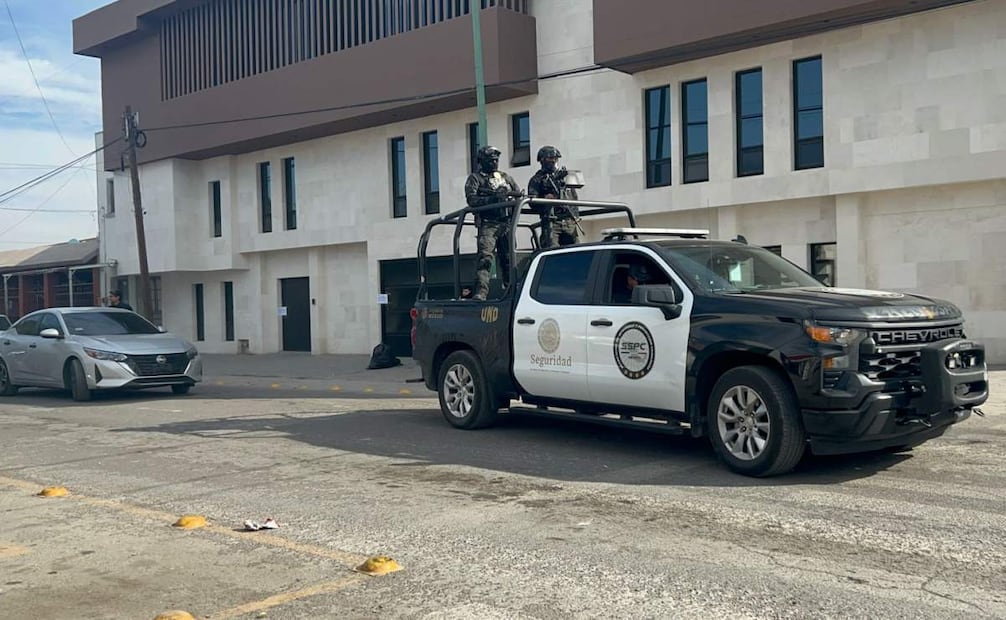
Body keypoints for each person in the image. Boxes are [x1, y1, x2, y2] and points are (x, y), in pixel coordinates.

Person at [465, 145, 522, 301]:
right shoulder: (475, 178)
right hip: (488, 224)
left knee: (509, 259)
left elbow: (519, 195)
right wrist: (493, 198)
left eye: (496, 160)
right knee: (485, 258)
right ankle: (481, 292)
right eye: (490, 160)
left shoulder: (506, 177)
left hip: (507, 224)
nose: (494, 163)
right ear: (482, 161)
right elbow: (472, 200)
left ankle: (512, 291)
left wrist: (510, 198)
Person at [528, 145, 579, 248]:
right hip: (551, 220)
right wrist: (545, 199)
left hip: (569, 220)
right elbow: (532, 202)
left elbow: (574, 197)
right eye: (550, 158)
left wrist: (574, 216)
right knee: (551, 249)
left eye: (555, 158)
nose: (553, 161)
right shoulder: (537, 179)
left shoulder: (564, 177)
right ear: (542, 160)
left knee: (576, 250)